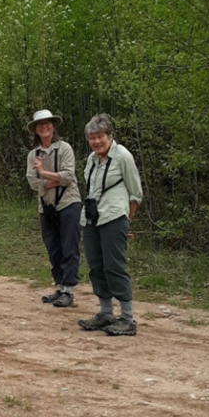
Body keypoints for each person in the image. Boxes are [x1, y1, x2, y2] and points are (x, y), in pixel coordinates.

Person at [77, 113, 144, 336]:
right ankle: (106, 313)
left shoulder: (123, 156)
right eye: (92, 137)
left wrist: (127, 223)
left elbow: (135, 194)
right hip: (92, 218)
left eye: (100, 136)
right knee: (96, 265)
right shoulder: (92, 159)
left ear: (110, 136)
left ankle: (127, 318)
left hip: (114, 217)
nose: (96, 141)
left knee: (114, 266)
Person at [25, 110, 82, 308]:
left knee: (69, 247)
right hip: (46, 207)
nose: (44, 127)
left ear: (53, 126)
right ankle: (60, 286)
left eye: (47, 123)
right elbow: (33, 183)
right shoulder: (33, 154)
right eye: (40, 124)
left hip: (68, 203)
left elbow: (68, 176)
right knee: (53, 247)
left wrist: (43, 174)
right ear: (36, 130)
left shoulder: (64, 148)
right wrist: (49, 181)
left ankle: (69, 290)